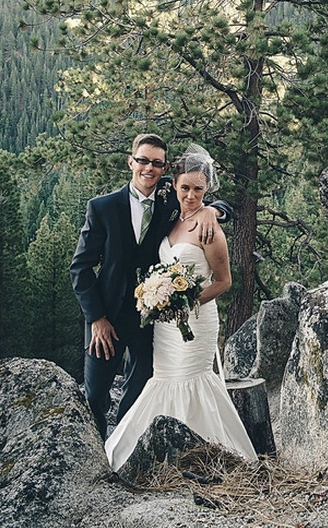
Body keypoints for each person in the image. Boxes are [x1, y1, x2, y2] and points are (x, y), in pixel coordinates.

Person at [105, 144, 257, 470]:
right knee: (164, 378)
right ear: (173, 185)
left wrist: (187, 302)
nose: (190, 195)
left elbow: (224, 281)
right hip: (165, 324)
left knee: (191, 379)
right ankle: (158, 454)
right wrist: (158, 300)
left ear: (207, 190)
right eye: (185, 187)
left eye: (198, 189)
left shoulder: (209, 226)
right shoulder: (170, 217)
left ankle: (201, 457)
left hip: (196, 320)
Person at [70, 133, 228, 440]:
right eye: (143, 160)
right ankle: (97, 457)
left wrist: (213, 210)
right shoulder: (101, 207)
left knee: (143, 386)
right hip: (108, 318)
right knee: (95, 394)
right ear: (131, 161)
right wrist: (96, 319)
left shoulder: (171, 197)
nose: (149, 168)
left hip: (151, 319)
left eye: (156, 163)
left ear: (164, 167)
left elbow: (203, 195)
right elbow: (80, 267)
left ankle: (127, 448)